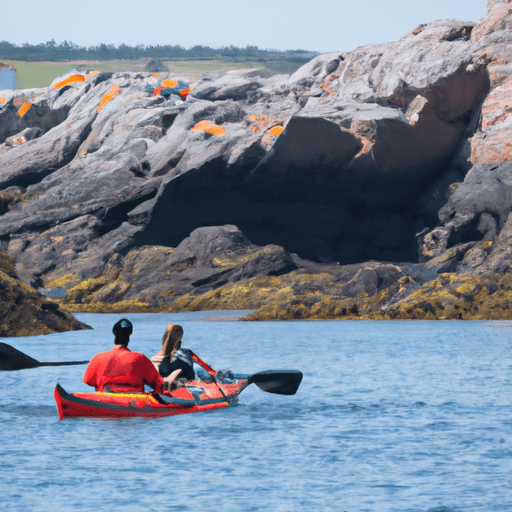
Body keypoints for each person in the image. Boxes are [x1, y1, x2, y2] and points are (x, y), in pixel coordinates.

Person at [83, 318, 178, 393]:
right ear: (128, 338)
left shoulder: (98, 357)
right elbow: (157, 383)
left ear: (115, 335)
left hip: (104, 403)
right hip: (136, 403)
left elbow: (87, 380)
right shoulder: (140, 358)